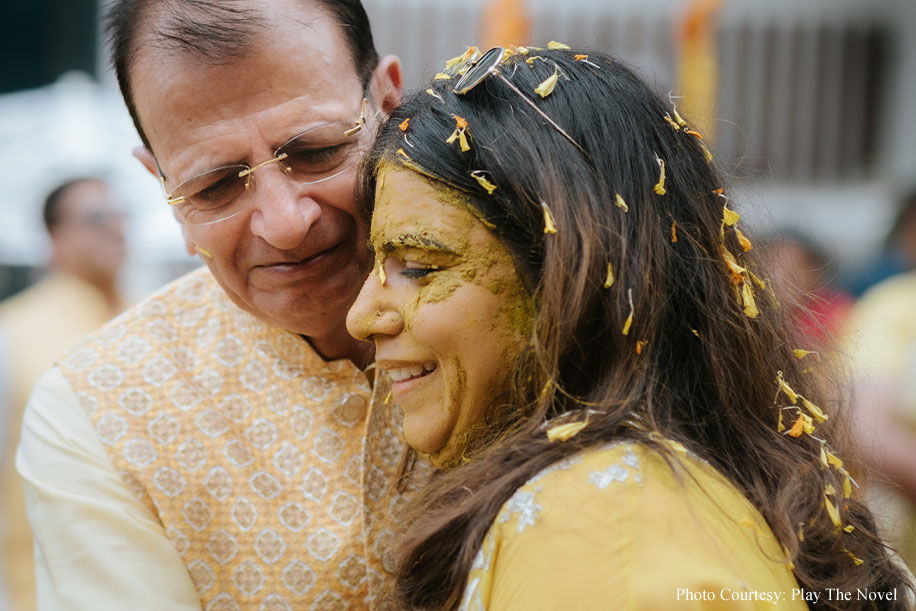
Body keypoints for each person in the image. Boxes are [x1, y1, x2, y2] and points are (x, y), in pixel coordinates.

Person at [345, 46, 915, 608]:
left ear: (572, 281)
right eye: (376, 266)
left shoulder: (598, 531)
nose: (361, 316)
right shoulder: (625, 500)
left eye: (418, 266)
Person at [16, 0, 404, 608]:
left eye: (317, 151)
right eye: (216, 185)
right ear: (163, 189)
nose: (284, 223)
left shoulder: (549, 301)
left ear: (389, 105)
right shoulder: (101, 413)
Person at [0, 177, 126, 611]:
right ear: (56, 237)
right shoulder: (11, 333)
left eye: (119, 214)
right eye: (96, 218)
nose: (116, 227)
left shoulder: (151, 318)